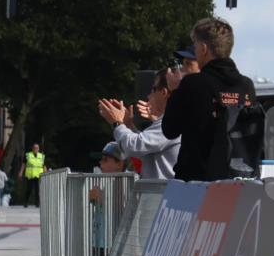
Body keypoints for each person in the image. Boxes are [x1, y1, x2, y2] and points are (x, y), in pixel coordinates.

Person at [161, 17, 257, 182]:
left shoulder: (193, 83)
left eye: (196, 44)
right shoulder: (246, 85)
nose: (195, 50)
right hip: (237, 180)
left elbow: (170, 130)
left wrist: (175, 91)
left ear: (204, 48)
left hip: (197, 182)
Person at [69, 142, 130, 256]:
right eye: (101, 161)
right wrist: (94, 198)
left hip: (111, 243)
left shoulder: (123, 182)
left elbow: (121, 209)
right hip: (100, 241)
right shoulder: (106, 181)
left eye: (106, 160)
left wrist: (101, 197)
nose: (101, 165)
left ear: (119, 164)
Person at [97, 68, 180, 179]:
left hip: (163, 194)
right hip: (162, 193)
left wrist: (117, 123)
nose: (149, 95)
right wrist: (128, 125)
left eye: (153, 89)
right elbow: (145, 150)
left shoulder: (172, 120)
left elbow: (135, 147)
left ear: (164, 92)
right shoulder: (173, 119)